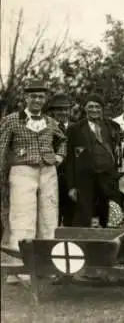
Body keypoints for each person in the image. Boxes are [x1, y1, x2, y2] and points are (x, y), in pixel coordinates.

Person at [0, 81, 66, 283]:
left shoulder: (51, 122)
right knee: (22, 218)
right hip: (22, 171)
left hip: (48, 171)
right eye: (33, 97)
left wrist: (59, 157)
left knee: (49, 219)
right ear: (25, 98)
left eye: (41, 97)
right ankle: (18, 270)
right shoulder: (11, 121)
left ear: (44, 99)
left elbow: (62, 140)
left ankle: (48, 265)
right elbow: (2, 149)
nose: (37, 100)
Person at [66, 93, 123, 228]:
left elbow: (118, 151)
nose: (94, 110)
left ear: (102, 108)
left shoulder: (113, 126)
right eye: (90, 107)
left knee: (109, 215)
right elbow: (70, 159)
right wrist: (71, 186)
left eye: (97, 107)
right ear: (85, 108)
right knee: (84, 216)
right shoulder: (75, 129)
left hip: (108, 178)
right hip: (85, 180)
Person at [46, 92, 74, 227]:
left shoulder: (76, 128)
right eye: (59, 109)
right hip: (52, 176)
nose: (62, 112)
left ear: (69, 110)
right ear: (53, 111)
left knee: (71, 216)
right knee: (52, 215)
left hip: (72, 179)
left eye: (65, 109)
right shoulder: (46, 127)